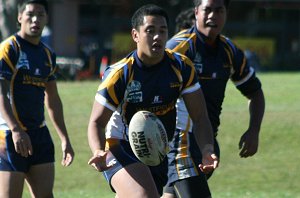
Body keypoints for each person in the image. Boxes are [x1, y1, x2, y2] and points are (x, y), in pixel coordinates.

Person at [87, 4, 218, 198]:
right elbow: (96, 122)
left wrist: (207, 149)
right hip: (119, 146)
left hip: (156, 146)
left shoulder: (181, 67)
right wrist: (98, 150)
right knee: (144, 195)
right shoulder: (120, 74)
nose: (157, 37)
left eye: (162, 31)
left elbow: (200, 117)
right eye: (150, 31)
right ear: (135, 35)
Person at [163, 0, 265, 197]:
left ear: (226, 14)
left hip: (206, 142)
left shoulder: (229, 51)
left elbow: (255, 93)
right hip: (177, 142)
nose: (212, 16)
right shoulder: (178, 48)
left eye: (219, 10)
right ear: (196, 12)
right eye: (207, 10)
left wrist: (254, 130)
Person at [0, 1, 74, 197]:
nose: (35, 19)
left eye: (40, 15)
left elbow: (53, 99)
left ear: (46, 19)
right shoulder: (9, 49)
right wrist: (15, 130)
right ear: (19, 18)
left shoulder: (48, 54)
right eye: (30, 14)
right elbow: (0, 92)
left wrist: (64, 138)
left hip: (39, 135)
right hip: (8, 135)